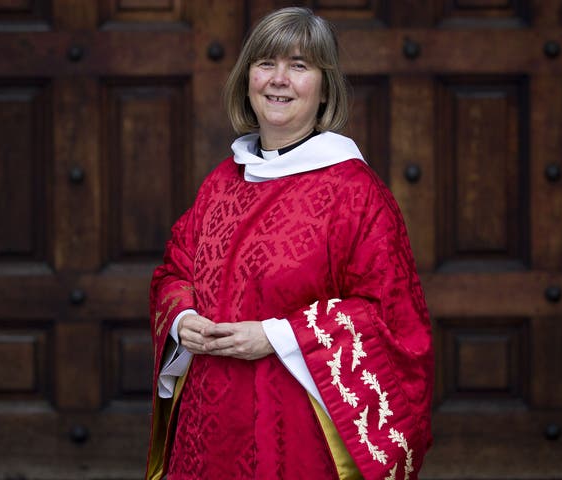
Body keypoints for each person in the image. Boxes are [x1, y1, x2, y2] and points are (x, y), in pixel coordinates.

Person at [145, 7, 433, 480]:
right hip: (206, 427)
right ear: (247, 79)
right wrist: (182, 319)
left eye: (299, 66)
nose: (279, 79)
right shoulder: (221, 182)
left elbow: (392, 320)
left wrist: (277, 337)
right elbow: (174, 272)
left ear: (325, 88)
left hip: (296, 431)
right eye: (266, 63)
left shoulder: (354, 193)